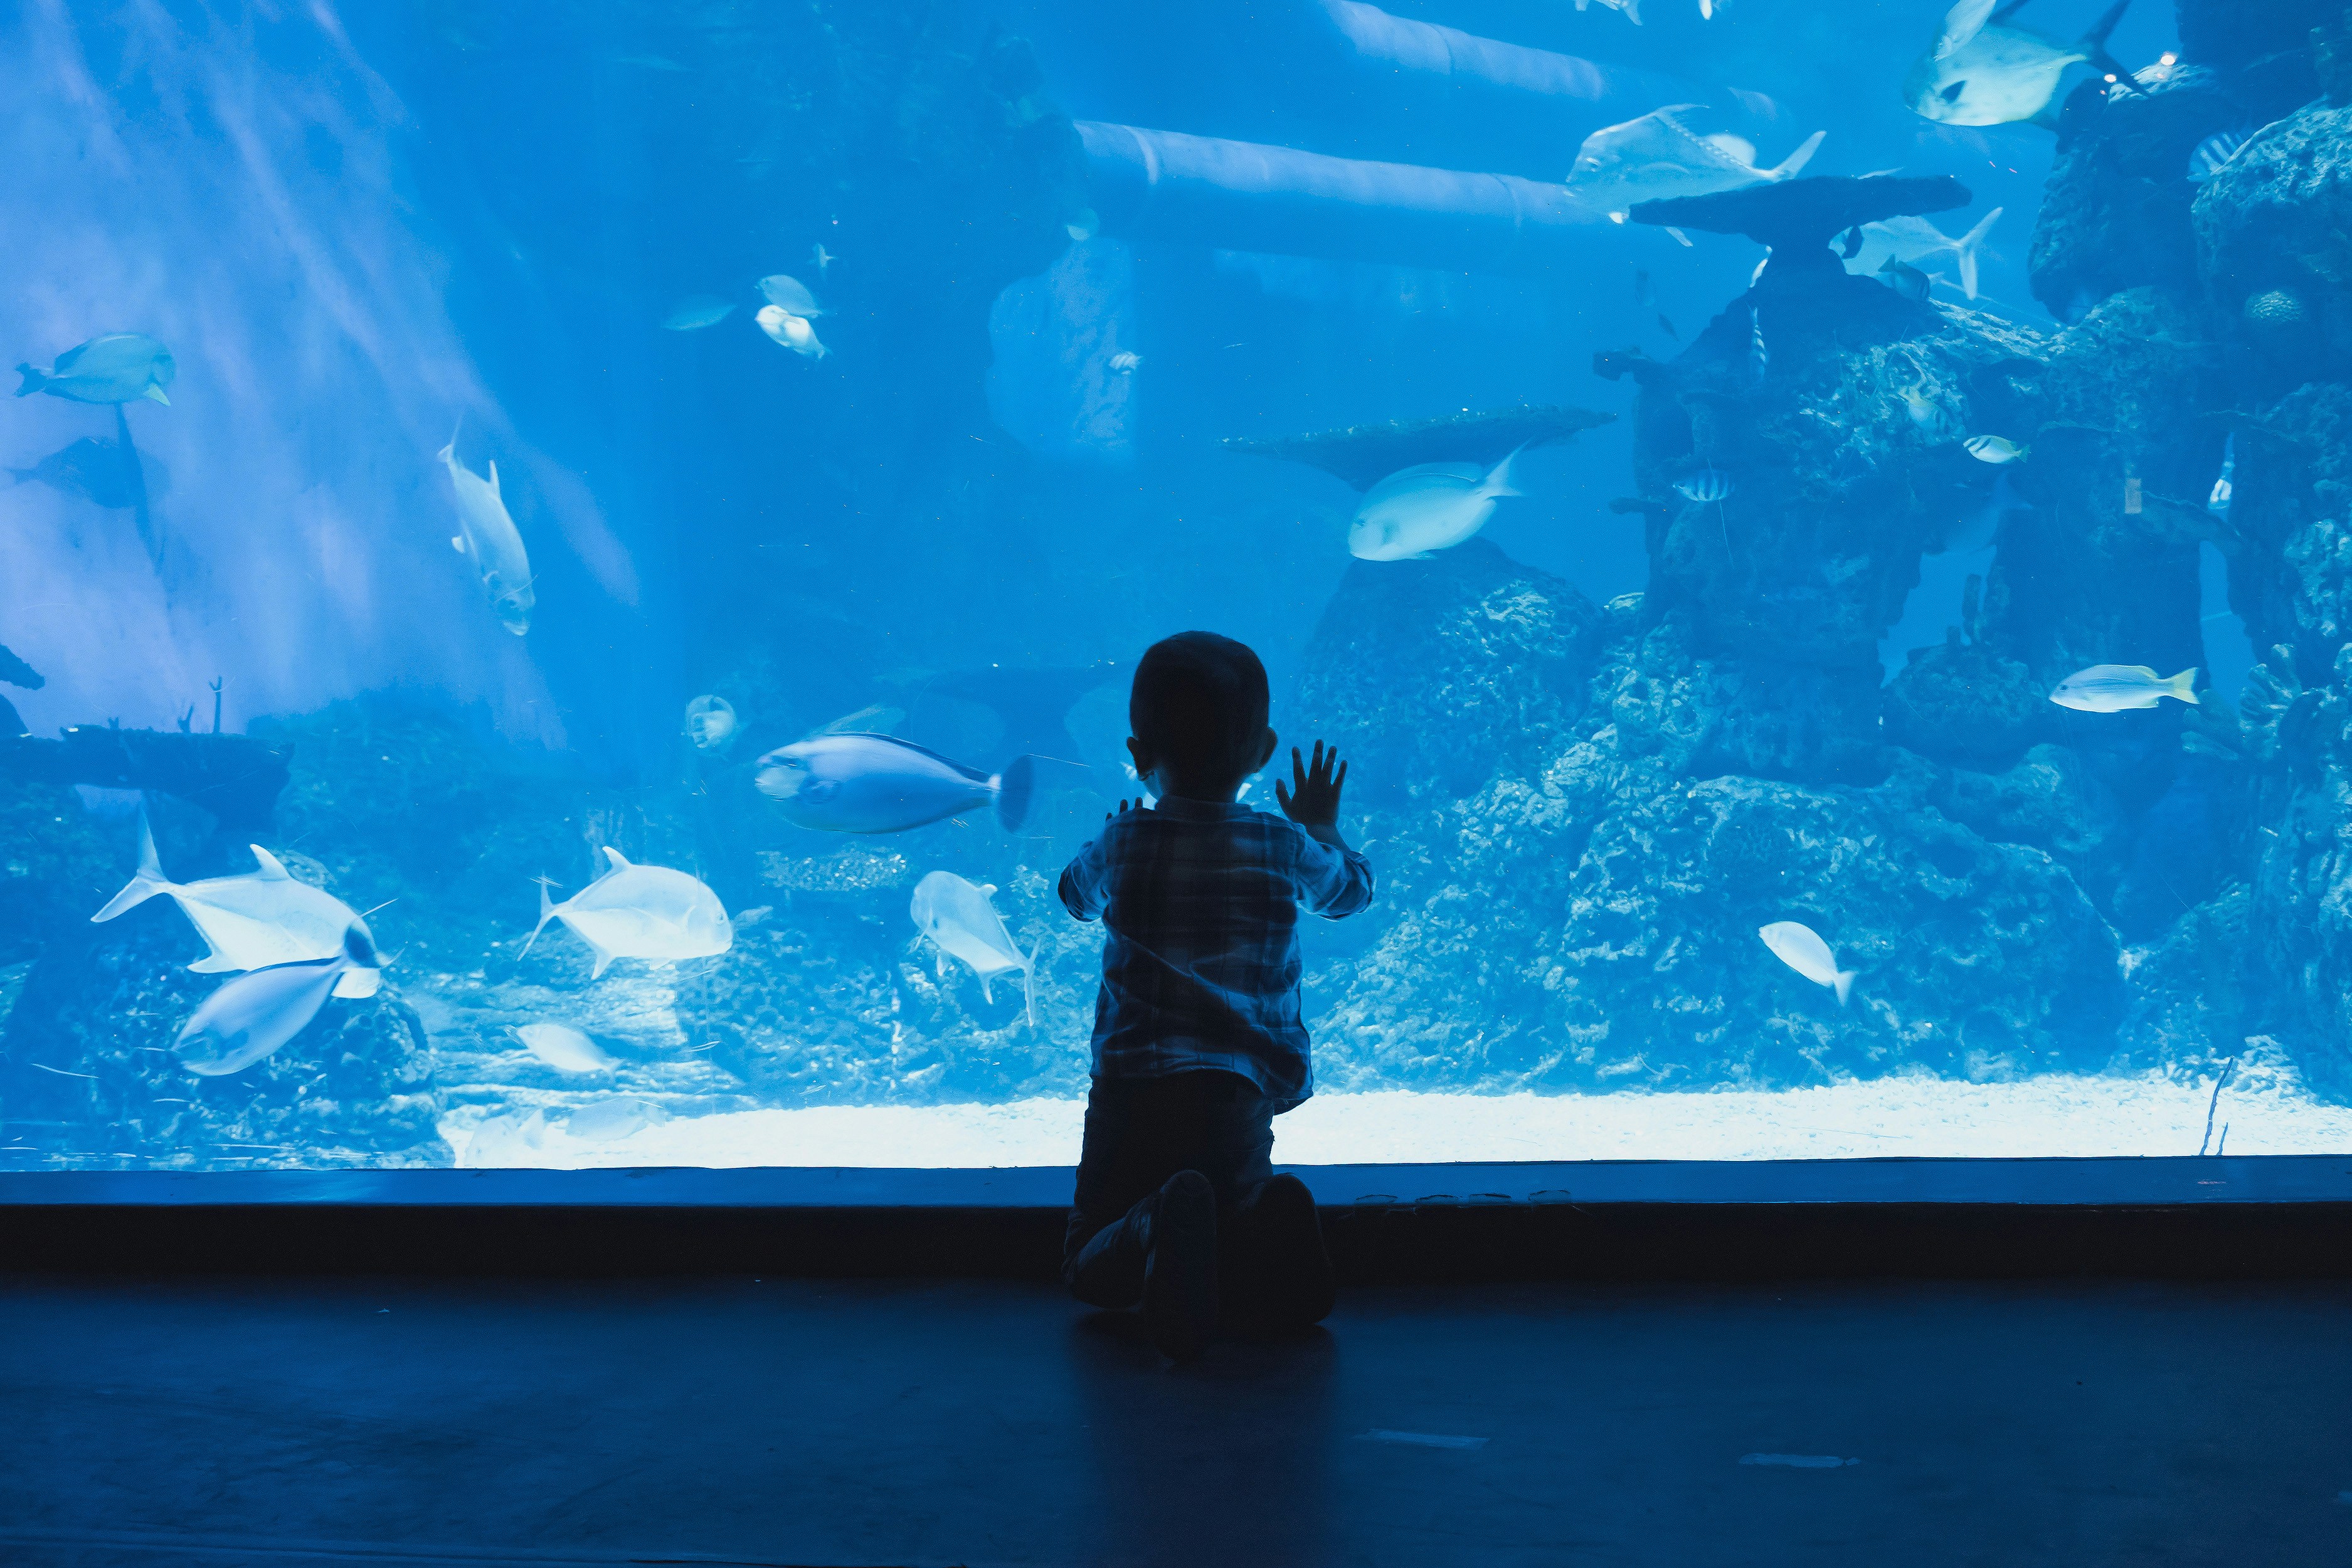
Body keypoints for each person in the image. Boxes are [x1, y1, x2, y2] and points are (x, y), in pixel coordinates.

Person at [1056, 631, 1375, 1360]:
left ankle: (1154, 1223)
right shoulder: (1282, 843)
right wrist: (1321, 822)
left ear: (1137, 755)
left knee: (1087, 1260)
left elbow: (1073, 897)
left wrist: (1108, 847)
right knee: (1230, 1218)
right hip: (1238, 1091)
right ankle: (1270, 1222)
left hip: (1133, 1088)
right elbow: (1352, 893)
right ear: (1262, 751)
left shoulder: (1125, 841)